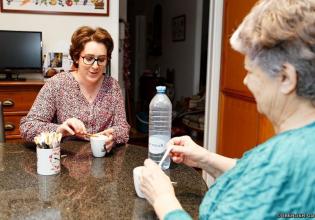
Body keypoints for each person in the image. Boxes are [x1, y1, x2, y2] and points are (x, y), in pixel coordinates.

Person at [140, 0, 315, 219]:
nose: (245, 82)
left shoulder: (286, 162)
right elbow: (254, 174)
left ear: (286, 78)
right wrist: (205, 158)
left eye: (251, 72)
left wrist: (163, 199)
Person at [20, 26, 130, 152]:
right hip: (66, 161)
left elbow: (123, 128)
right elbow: (27, 128)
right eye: (88, 58)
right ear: (77, 57)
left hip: (105, 161)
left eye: (101, 60)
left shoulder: (113, 86)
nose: (95, 66)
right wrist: (60, 130)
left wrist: (113, 136)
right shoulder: (57, 84)